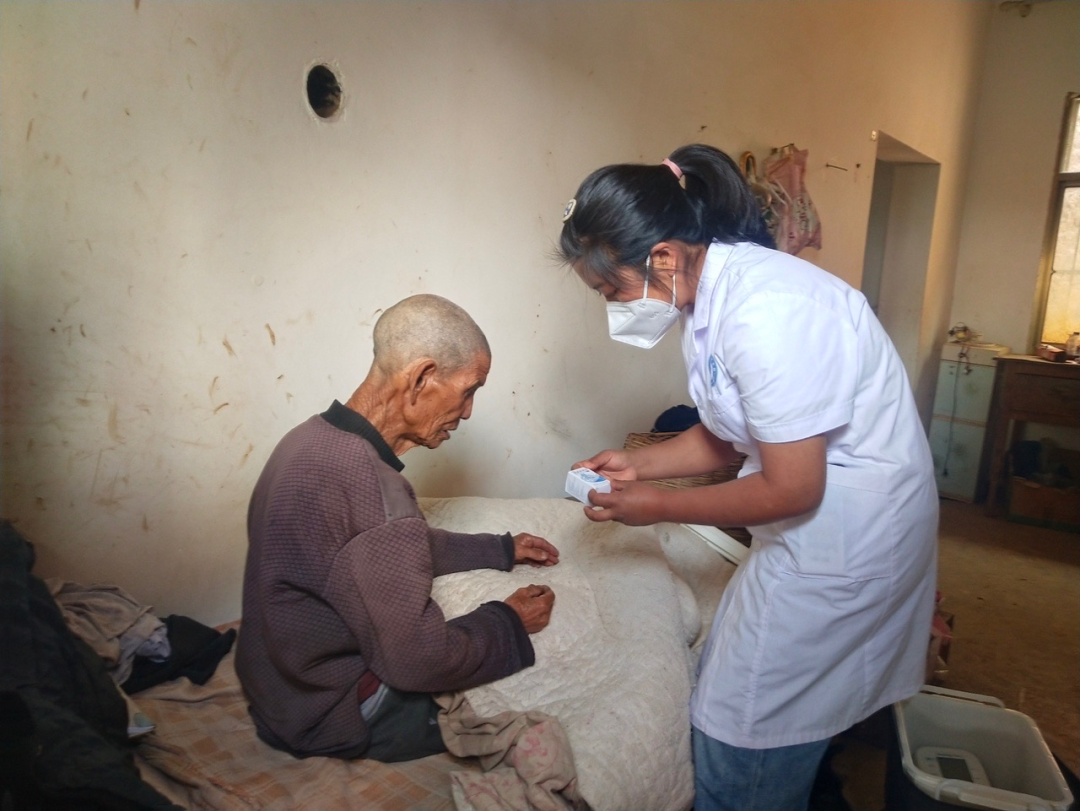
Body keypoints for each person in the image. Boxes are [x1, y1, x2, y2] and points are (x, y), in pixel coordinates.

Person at [557, 145, 937, 811]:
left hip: (843, 542)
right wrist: (637, 464)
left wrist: (657, 505)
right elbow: (728, 431)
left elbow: (793, 485)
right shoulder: (708, 301)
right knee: (735, 697)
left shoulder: (769, 310)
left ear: (663, 257)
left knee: (744, 733)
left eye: (610, 290)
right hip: (805, 532)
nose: (612, 305)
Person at [235, 294, 558, 762]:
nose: (468, 411)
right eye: (469, 390)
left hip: (276, 691)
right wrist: (509, 622)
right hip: (330, 712)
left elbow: (381, 548)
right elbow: (418, 662)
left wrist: (501, 549)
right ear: (422, 378)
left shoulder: (306, 439)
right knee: (535, 701)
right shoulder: (372, 489)